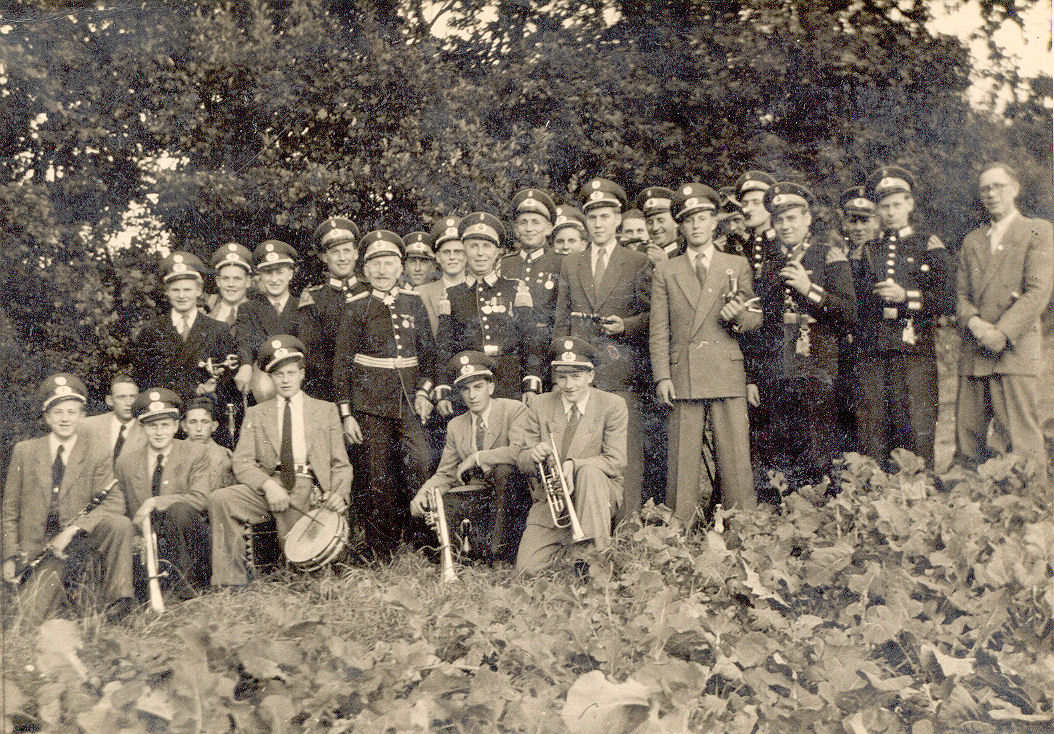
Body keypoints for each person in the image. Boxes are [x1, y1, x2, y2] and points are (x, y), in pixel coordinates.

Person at [650, 183, 760, 521]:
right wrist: (662, 377)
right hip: (684, 370)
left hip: (725, 367)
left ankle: (743, 528)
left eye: (703, 217)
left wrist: (738, 317)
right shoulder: (667, 269)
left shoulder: (736, 264)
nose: (696, 225)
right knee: (683, 459)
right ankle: (678, 529)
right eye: (688, 220)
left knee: (735, 457)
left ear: (715, 222)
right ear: (680, 227)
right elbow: (659, 328)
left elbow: (754, 319)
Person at [209, 336, 351, 586]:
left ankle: (299, 577)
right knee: (221, 499)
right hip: (269, 485)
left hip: (308, 486)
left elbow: (340, 464)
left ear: (302, 374)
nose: (285, 380)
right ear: (270, 379)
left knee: (293, 502)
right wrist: (268, 485)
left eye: (290, 373)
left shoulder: (324, 410)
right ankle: (232, 582)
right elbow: (242, 463)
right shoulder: (256, 413)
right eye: (278, 375)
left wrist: (339, 494)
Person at [333, 232, 437, 560]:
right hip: (370, 402)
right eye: (375, 263)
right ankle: (382, 549)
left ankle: (426, 539)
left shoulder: (413, 301)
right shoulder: (355, 306)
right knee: (379, 476)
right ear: (364, 269)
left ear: (400, 266)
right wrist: (347, 413)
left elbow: (429, 356)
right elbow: (342, 363)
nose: (382, 269)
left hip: (408, 399)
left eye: (389, 262)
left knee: (420, 463)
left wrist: (424, 392)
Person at [554, 177, 650, 519]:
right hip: (580, 374)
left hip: (619, 368)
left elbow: (655, 316)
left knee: (624, 450)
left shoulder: (636, 261)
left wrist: (626, 325)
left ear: (619, 219)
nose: (599, 224)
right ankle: (583, 521)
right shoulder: (571, 262)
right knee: (582, 447)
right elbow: (561, 318)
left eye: (605, 216)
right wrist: (562, 370)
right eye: (592, 217)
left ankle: (628, 522)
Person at [2, 374, 134, 623]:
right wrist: (9, 556)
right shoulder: (25, 451)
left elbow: (115, 502)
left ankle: (119, 604)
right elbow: (10, 508)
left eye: (72, 412)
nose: (65, 419)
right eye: (58, 412)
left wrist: (73, 529)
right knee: (31, 619)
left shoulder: (96, 452)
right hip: (38, 549)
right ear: (47, 417)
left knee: (120, 524)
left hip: (79, 543)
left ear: (82, 416)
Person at [756, 182, 856, 489]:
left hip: (818, 361)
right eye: (779, 220)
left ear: (807, 219)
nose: (786, 226)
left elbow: (848, 312)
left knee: (819, 440)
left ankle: (824, 505)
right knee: (784, 440)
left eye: (792, 218)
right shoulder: (769, 264)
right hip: (779, 364)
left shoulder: (828, 254)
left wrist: (807, 288)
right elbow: (764, 321)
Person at [955, 162, 1054, 473]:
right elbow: (960, 296)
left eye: (998, 186)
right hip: (975, 348)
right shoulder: (972, 240)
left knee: (1021, 437)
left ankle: (1028, 505)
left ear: (1015, 189)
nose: (991, 193)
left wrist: (1002, 333)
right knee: (967, 437)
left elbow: (1037, 292)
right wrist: (974, 323)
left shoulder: (1036, 230)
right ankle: (964, 505)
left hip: (1014, 349)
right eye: (985, 188)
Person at [854, 167, 955, 470]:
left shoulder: (928, 245)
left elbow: (947, 299)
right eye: (884, 206)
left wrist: (907, 298)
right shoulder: (868, 250)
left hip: (914, 352)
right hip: (875, 352)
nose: (890, 212)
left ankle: (918, 497)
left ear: (910, 205)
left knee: (916, 424)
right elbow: (856, 301)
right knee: (875, 428)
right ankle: (879, 500)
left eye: (897, 204)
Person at [514, 338, 627, 573]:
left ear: (590, 376)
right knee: (527, 570)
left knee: (589, 472)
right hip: (553, 502)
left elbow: (616, 461)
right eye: (562, 377)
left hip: (596, 495)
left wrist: (574, 465)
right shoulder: (540, 404)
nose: (569, 385)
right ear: (555, 377)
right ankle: (575, 552)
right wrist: (533, 455)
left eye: (576, 376)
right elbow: (521, 458)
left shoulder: (612, 405)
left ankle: (596, 564)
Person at [410, 351, 529, 563]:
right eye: (465, 389)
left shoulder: (513, 409)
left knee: (504, 471)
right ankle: (469, 551)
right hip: (478, 498)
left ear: (490, 387)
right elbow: (446, 474)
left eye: (478, 387)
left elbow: (517, 452)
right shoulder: (456, 425)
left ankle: (498, 553)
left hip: (511, 498)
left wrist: (476, 458)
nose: (472, 395)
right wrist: (423, 493)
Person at [131, 251, 239, 448]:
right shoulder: (152, 330)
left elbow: (229, 379)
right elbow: (143, 378)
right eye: (176, 290)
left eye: (188, 290)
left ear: (199, 291)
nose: (182, 296)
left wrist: (212, 390)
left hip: (203, 422)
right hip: (165, 420)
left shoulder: (218, 330)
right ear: (167, 292)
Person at [436, 212, 544, 406]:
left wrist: (531, 383)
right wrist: (443, 388)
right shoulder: (452, 294)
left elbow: (530, 341)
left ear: (497, 252)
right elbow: (445, 347)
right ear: (464, 250)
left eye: (487, 246)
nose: (480, 253)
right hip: (468, 384)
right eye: (473, 246)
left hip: (509, 383)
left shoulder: (514, 288)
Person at [115, 388, 213, 599]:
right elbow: (119, 504)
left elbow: (201, 498)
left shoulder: (195, 453)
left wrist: (155, 502)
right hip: (145, 542)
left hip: (188, 544)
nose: (159, 432)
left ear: (177, 426)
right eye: (152, 426)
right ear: (142, 428)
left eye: (165, 425)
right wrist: (131, 532)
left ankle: (188, 589)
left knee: (179, 510)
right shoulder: (126, 462)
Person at [298, 218, 366, 401]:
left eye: (346, 251)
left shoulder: (370, 291)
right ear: (323, 257)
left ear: (356, 253)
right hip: (329, 390)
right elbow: (312, 355)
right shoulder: (313, 299)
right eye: (335, 252)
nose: (342, 258)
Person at [836, 186, 881, 456]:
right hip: (843, 345)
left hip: (872, 345)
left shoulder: (882, 255)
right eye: (852, 220)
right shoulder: (838, 254)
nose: (858, 228)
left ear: (876, 222)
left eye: (865, 220)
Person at [233, 240, 301, 403]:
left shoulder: (303, 306)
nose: (274, 279)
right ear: (260, 276)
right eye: (268, 273)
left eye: (279, 272)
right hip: (264, 378)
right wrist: (246, 365)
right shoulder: (248, 308)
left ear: (290, 274)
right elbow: (244, 340)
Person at [500, 188, 564, 348]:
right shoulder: (504, 264)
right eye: (523, 222)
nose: (529, 229)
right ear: (516, 229)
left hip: (548, 346)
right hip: (511, 347)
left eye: (535, 222)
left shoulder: (562, 263)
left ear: (548, 228)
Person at [416, 217, 466, 337]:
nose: (452, 257)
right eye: (446, 252)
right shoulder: (421, 293)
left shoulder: (478, 289)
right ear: (438, 257)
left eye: (458, 252)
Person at [80, 373, 142, 465]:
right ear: (109, 400)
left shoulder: (147, 429)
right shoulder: (88, 426)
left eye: (133, 397)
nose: (129, 403)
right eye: (121, 397)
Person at [181, 396, 236, 490]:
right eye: (193, 422)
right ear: (184, 426)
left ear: (214, 426)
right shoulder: (175, 452)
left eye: (205, 422)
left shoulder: (225, 457)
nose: (199, 428)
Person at [207, 243, 254, 326]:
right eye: (225, 278)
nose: (231, 284)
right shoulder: (206, 318)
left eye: (237, 278)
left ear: (247, 281)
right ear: (218, 281)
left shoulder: (260, 317)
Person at [634, 187, 682, 264]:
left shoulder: (687, 250)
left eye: (660, 220)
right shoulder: (641, 252)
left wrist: (663, 265)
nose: (655, 227)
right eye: (650, 222)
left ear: (675, 222)